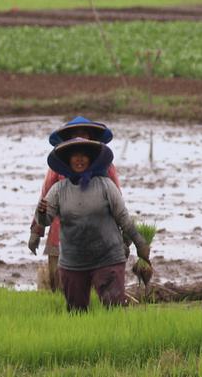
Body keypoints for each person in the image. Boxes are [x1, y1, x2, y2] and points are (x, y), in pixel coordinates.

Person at [34, 137, 150, 312]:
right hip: (73, 261)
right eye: (75, 156)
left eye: (84, 156)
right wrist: (41, 213)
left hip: (108, 257)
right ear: (68, 160)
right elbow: (46, 220)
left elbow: (123, 217)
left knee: (114, 309)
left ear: (91, 160)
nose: (79, 159)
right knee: (76, 312)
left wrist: (140, 244)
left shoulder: (105, 186)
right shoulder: (59, 190)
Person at [28, 117, 122, 291]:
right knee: (61, 284)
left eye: (84, 135)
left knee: (98, 282)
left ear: (92, 140)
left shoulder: (106, 168)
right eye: (75, 136)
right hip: (61, 234)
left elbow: (117, 203)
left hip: (98, 236)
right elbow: (45, 200)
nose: (79, 139)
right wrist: (36, 231)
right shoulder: (57, 169)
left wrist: (122, 236)